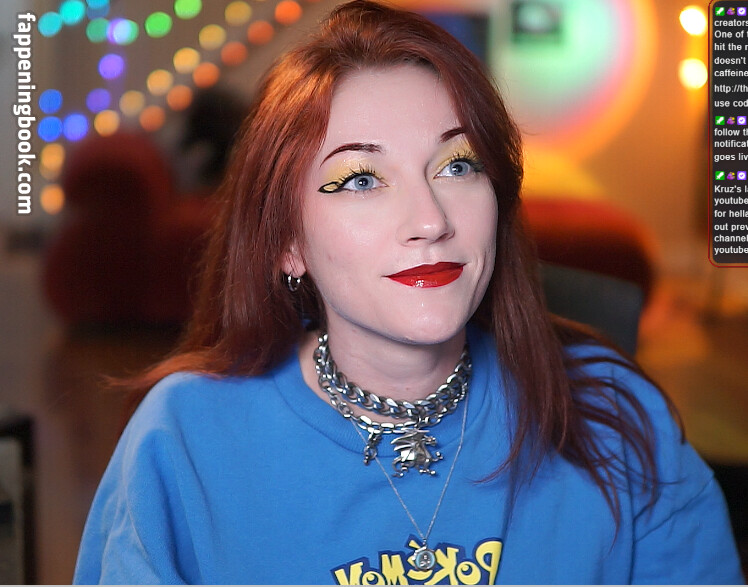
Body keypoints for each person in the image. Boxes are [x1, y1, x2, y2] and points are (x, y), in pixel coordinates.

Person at [74, 1, 744, 584]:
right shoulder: (184, 441)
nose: (430, 220)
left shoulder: (615, 417)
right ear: (287, 242)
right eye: (361, 179)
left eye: (457, 165)